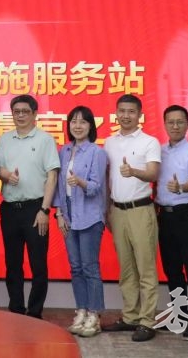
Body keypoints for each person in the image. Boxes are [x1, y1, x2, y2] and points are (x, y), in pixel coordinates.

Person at [102, 93, 161, 342]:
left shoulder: (150, 142)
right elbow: (107, 179)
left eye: (131, 111)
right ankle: (130, 316)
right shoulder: (109, 142)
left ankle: (147, 321)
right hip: (117, 211)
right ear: (116, 113)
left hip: (141, 210)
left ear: (139, 115)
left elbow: (154, 174)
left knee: (145, 268)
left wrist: (133, 171)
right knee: (126, 269)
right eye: (122, 111)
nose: (126, 116)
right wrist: (107, 209)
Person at [0, 94, 60, 318]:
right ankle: (16, 309)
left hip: (35, 209)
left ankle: (34, 312)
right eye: (17, 111)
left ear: (35, 114)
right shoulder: (5, 140)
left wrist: (44, 210)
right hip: (10, 208)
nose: (21, 115)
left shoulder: (45, 140)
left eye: (25, 111)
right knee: (12, 263)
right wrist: (6, 175)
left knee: (38, 264)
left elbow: (52, 176)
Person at [53, 105, 107, 338]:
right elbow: (58, 186)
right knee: (75, 267)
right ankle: (81, 310)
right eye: (73, 121)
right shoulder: (64, 151)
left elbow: (95, 187)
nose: (77, 126)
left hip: (90, 216)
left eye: (83, 122)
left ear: (90, 126)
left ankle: (94, 314)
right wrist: (59, 214)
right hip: (68, 216)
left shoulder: (97, 152)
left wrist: (80, 182)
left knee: (89, 267)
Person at [155, 105, 188, 340]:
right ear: (165, 124)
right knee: (172, 269)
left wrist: (180, 187)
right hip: (164, 216)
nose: (175, 126)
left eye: (180, 122)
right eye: (171, 122)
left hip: (187, 214)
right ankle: (180, 315)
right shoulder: (159, 151)